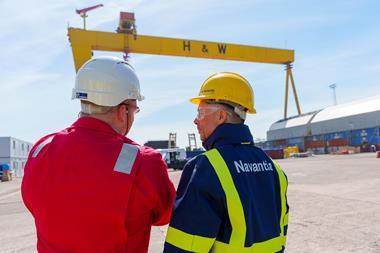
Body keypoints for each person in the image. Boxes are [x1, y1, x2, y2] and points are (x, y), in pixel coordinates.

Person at [22, 56, 176, 253]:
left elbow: (34, 204)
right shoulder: (144, 161)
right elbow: (165, 214)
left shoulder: (40, 150)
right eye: (135, 110)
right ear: (123, 111)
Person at [164, 72, 289, 252]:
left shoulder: (205, 168)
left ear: (221, 116)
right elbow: (281, 234)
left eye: (200, 112)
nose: (195, 120)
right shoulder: (273, 168)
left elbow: (185, 247)